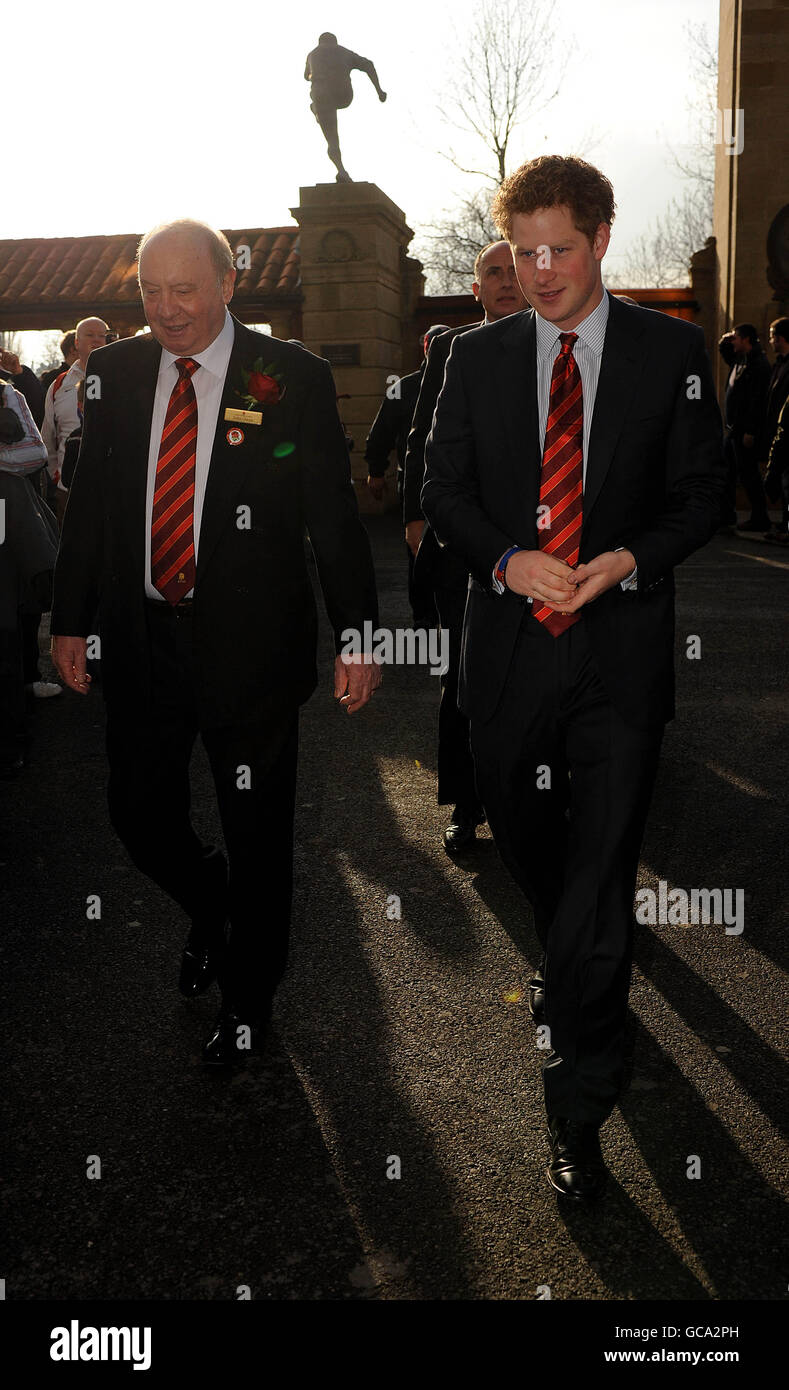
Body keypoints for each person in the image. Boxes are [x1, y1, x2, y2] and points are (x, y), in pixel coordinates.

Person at [422, 155, 724, 1203]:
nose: (541, 272)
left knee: (596, 892)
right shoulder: (476, 356)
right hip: (507, 667)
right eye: (524, 252)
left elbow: (704, 496)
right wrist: (507, 560)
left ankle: (579, 1106)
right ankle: (578, 964)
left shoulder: (671, 352)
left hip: (619, 665)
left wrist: (629, 557)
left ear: (602, 237)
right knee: (550, 876)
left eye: (561, 249)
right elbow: (443, 492)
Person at [50, 219, 380, 1067]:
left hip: (253, 654)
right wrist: (72, 617)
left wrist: (359, 631)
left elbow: (329, 517)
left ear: (228, 282)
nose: (166, 309)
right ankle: (213, 903)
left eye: (183, 289)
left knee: (258, 834)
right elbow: (89, 503)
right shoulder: (114, 374)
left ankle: (246, 1001)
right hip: (144, 644)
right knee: (138, 815)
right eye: (149, 292)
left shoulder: (288, 377)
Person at [403, 242, 528, 853]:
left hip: (545, 548)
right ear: (476, 288)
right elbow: (420, 440)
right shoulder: (451, 350)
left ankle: (539, 799)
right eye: (492, 274)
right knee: (465, 677)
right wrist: (414, 521)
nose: (506, 282)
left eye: (514, 271)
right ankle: (466, 806)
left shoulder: (562, 347)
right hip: (462, 548)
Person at [365, 324, 449, 625]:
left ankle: (429, 619)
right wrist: (376, 471)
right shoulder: (404, 388)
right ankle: (425, 618)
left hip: (438, 482)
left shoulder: (464, 377)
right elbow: (382, 434)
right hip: (417, 480)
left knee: (426, 555)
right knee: (419, 551)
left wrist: (377, 471)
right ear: (426, 348)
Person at [41, 317, 109, 526]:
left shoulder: (121, 379)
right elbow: (48, 435)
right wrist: (56, 475)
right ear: (76, 343)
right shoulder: (60, 385)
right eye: (90, 335)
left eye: (102, 336)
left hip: (109, 488)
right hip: (67, 489)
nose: (97, 340)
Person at [304, 32, 386, 182]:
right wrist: (379, 91)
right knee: (331, 131)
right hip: (343, 95)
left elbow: (306, 76)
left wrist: (314, 74)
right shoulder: (344, 51)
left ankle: (341, 169)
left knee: (332, 140)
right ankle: (342, 172)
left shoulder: (312, 54)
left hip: (321, 95)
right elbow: (369, 64)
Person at [718, 324, 772, 533]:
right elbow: (724, 350)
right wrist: (726, 339)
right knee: (727, 473)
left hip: (744, 431)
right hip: (733, 429)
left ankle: (760, 517)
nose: (733, 342)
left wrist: (751, 430)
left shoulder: (758, 365)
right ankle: (726, 514)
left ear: (747, 339)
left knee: (748, 474)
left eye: (736, 338)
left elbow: (757, 401)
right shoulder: (739, 361)